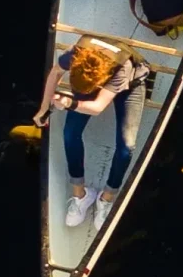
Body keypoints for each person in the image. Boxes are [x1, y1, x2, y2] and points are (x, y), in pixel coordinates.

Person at [34, 34, 151, 230]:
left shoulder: (122, 69)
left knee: (126, 147)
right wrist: (44, 108)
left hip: (130, 85)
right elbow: (55, 72)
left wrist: (69, 103)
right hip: (92, 80)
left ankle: (106, 197)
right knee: (70, 134)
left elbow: (97, 107)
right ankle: (81, 194)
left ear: (97, 85)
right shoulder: (75, 54)